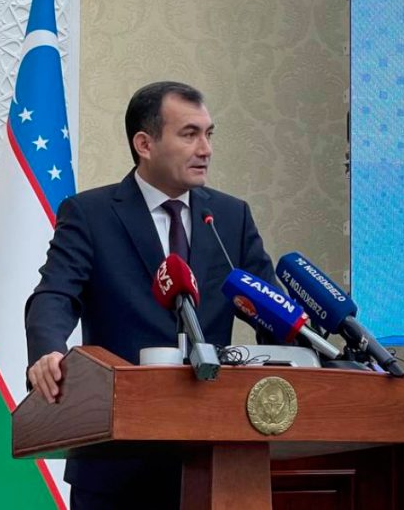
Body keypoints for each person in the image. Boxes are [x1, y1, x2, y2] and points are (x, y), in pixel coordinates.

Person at [24, 81, 275, 509]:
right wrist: (48, 350)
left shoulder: (230, 216)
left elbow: (271, 309)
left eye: (209, 134)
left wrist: (307, 352)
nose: (206, 149)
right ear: (144, 144)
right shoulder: (91, 214)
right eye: (189, 134)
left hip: (218, 459)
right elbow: (54, 295)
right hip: (118, 462)